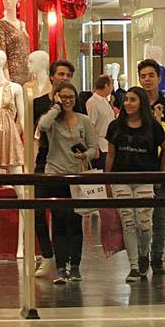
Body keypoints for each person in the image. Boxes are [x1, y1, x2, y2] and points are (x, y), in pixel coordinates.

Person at [106, 86, 165, 282]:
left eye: (132, 99)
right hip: (120, 179)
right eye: (126, 99)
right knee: (128, 222)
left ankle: (144, 254)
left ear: (141, 102)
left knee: (144, 224)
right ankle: (134, 266)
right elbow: (111, 154)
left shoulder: (153, 126)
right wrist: (106, 180)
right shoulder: (115, 126)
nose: (127, 103)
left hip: (145, 180)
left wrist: (162, 174)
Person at [36, 81, 98, 284]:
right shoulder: (52, 120)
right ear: (56, 97)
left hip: (77, 177)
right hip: (55, 175)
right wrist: (55, 106)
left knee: (75, 221)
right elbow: (42, 126)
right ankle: (61, 267)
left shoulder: (84, 120)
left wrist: (84, 155)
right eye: (63, 97)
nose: (67, 101)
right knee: (59, 222)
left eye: (71, 97)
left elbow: (93, 148)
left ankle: (76, 266)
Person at [31, 59, 78, 277]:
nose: (64, 78)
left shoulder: (75, 101)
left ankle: (65, 261)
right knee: (38, 212)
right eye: (61, 74)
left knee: (64, 215)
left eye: (68, 75)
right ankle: (47, 255)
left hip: (68, 162)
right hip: (44, 161)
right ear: (52, 76)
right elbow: (36, 131)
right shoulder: (40, 102)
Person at [137, 58, 165, 274]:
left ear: (159, 78)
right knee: (140, 219)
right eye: (143, 76)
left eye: (151, 75)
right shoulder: (133, 106)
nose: (147, 79)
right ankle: (141, 257)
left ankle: (157, 257)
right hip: (140, 169)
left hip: (162, 169)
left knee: (161, 216)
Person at [84, 74, 115, 170]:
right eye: (112, 85)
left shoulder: (104, 100)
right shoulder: (93, 102)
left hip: (108, 145)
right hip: (100, 147)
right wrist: (95, 147)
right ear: (106, 86)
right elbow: (90, 125)